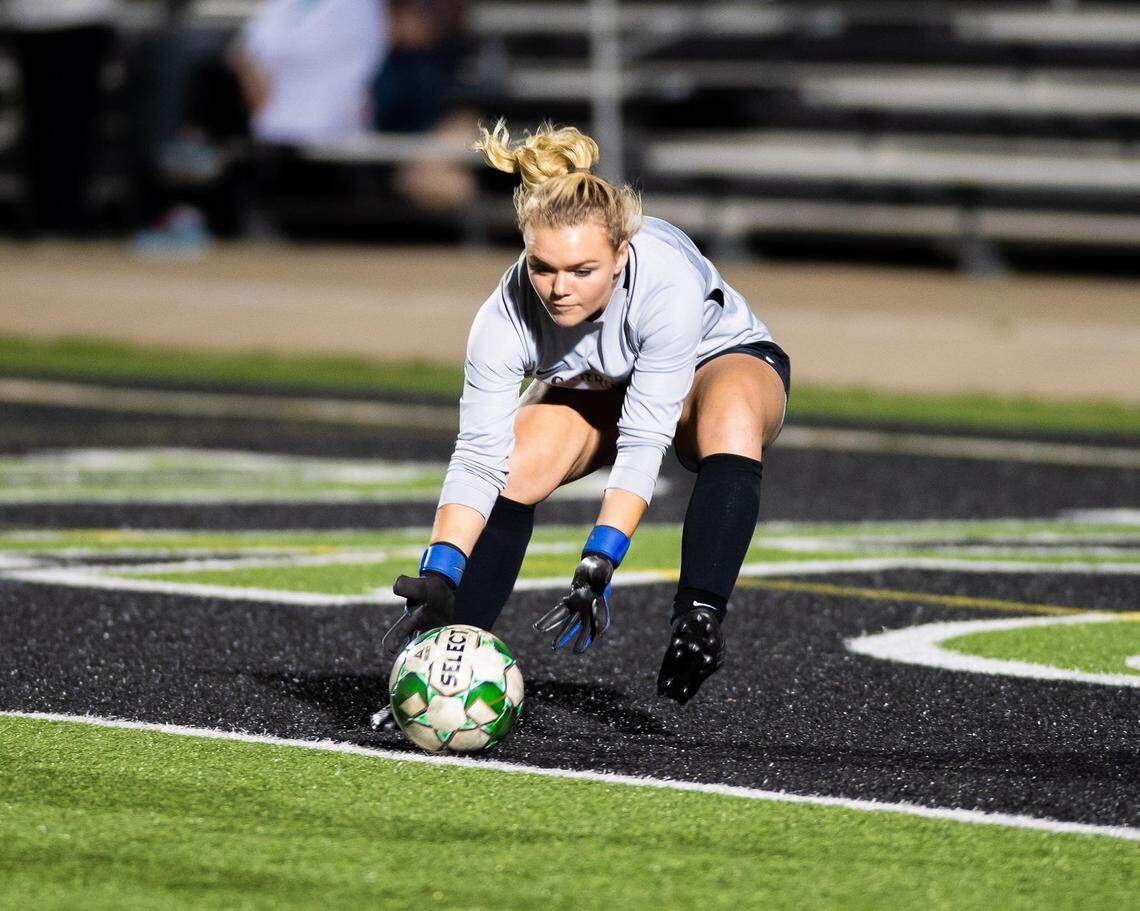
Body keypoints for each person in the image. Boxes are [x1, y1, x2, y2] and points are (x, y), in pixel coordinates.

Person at [382, 120, 791, 705]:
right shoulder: (502, 317)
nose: (558, 289)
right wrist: (442, 570)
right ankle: (449, 657)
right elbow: (477, 456)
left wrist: (599, 562)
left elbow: (645, 438)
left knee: (727, 420)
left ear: (621, 254)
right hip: (601, 381)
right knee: (517, 464)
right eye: (542, 267)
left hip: (713, 362)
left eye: (582, 271)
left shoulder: (664, 284)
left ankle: (699, 615)